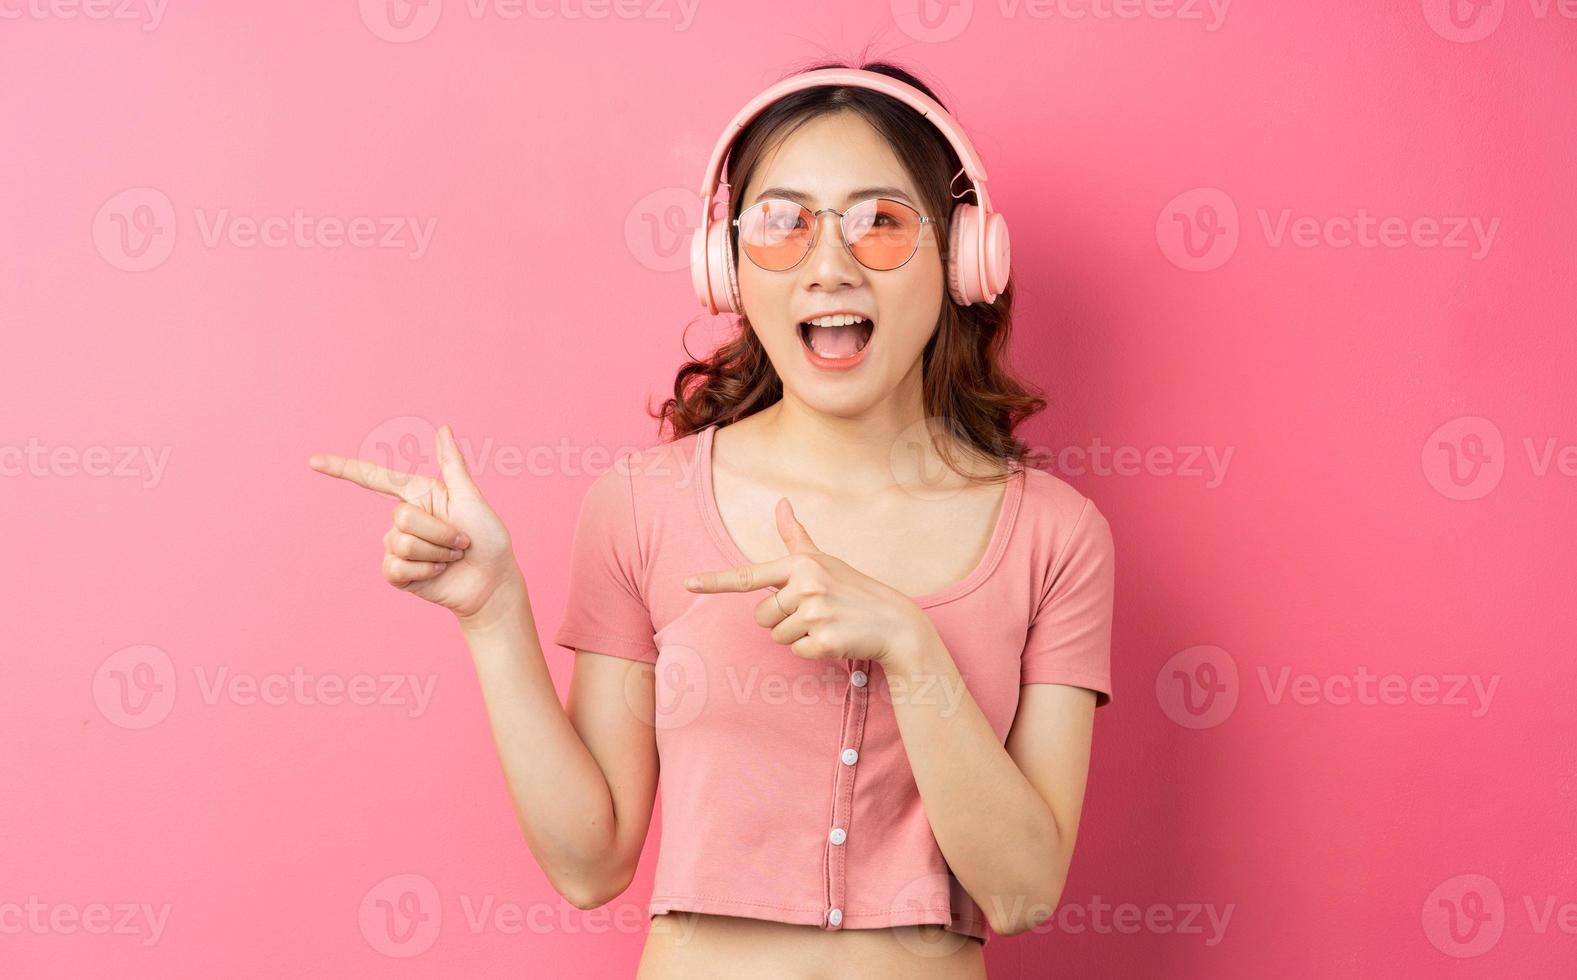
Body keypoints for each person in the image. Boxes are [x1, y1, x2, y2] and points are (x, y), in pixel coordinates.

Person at [308, 59, 1116, 980]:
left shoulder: (1057, 537)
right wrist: (491, 614)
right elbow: (590, 863)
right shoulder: (640, 506)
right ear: (724, 266)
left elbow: (1019, 893)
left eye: (880, 222)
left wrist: (911, 648)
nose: (827, 266)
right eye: (782, 224)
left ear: (962, 256)